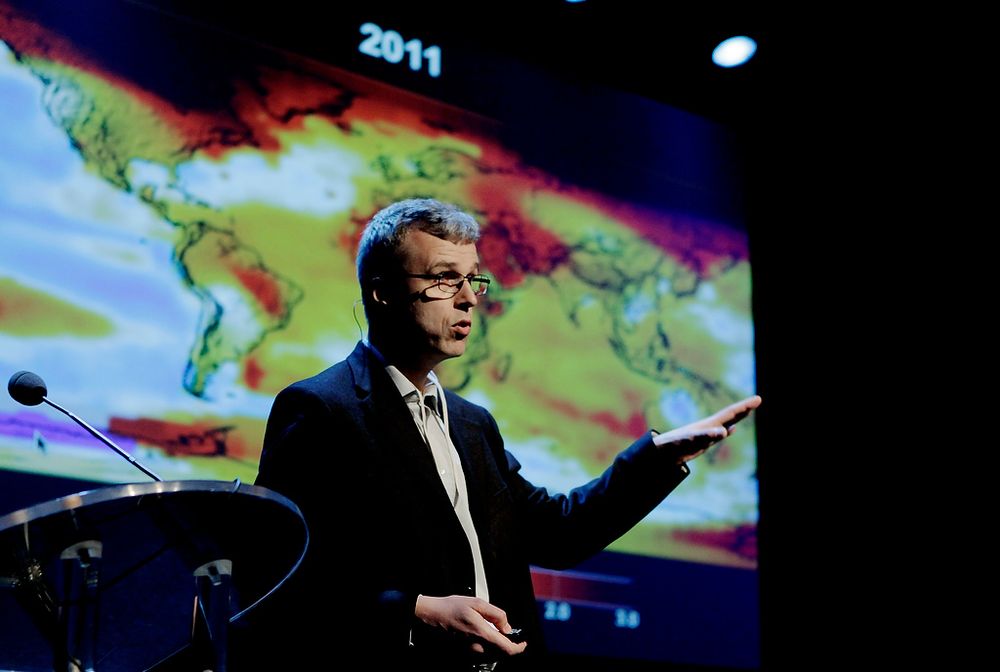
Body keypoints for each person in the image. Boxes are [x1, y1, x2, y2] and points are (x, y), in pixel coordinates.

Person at [247, 198, 761, 670]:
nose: (470, 298)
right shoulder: (320, 409)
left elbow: (559, 534)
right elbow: (279, 573)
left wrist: (656, 458)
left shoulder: (472, 424)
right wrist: (416, 612)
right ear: (381, 292)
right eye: (446, 278)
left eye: (474, 279)